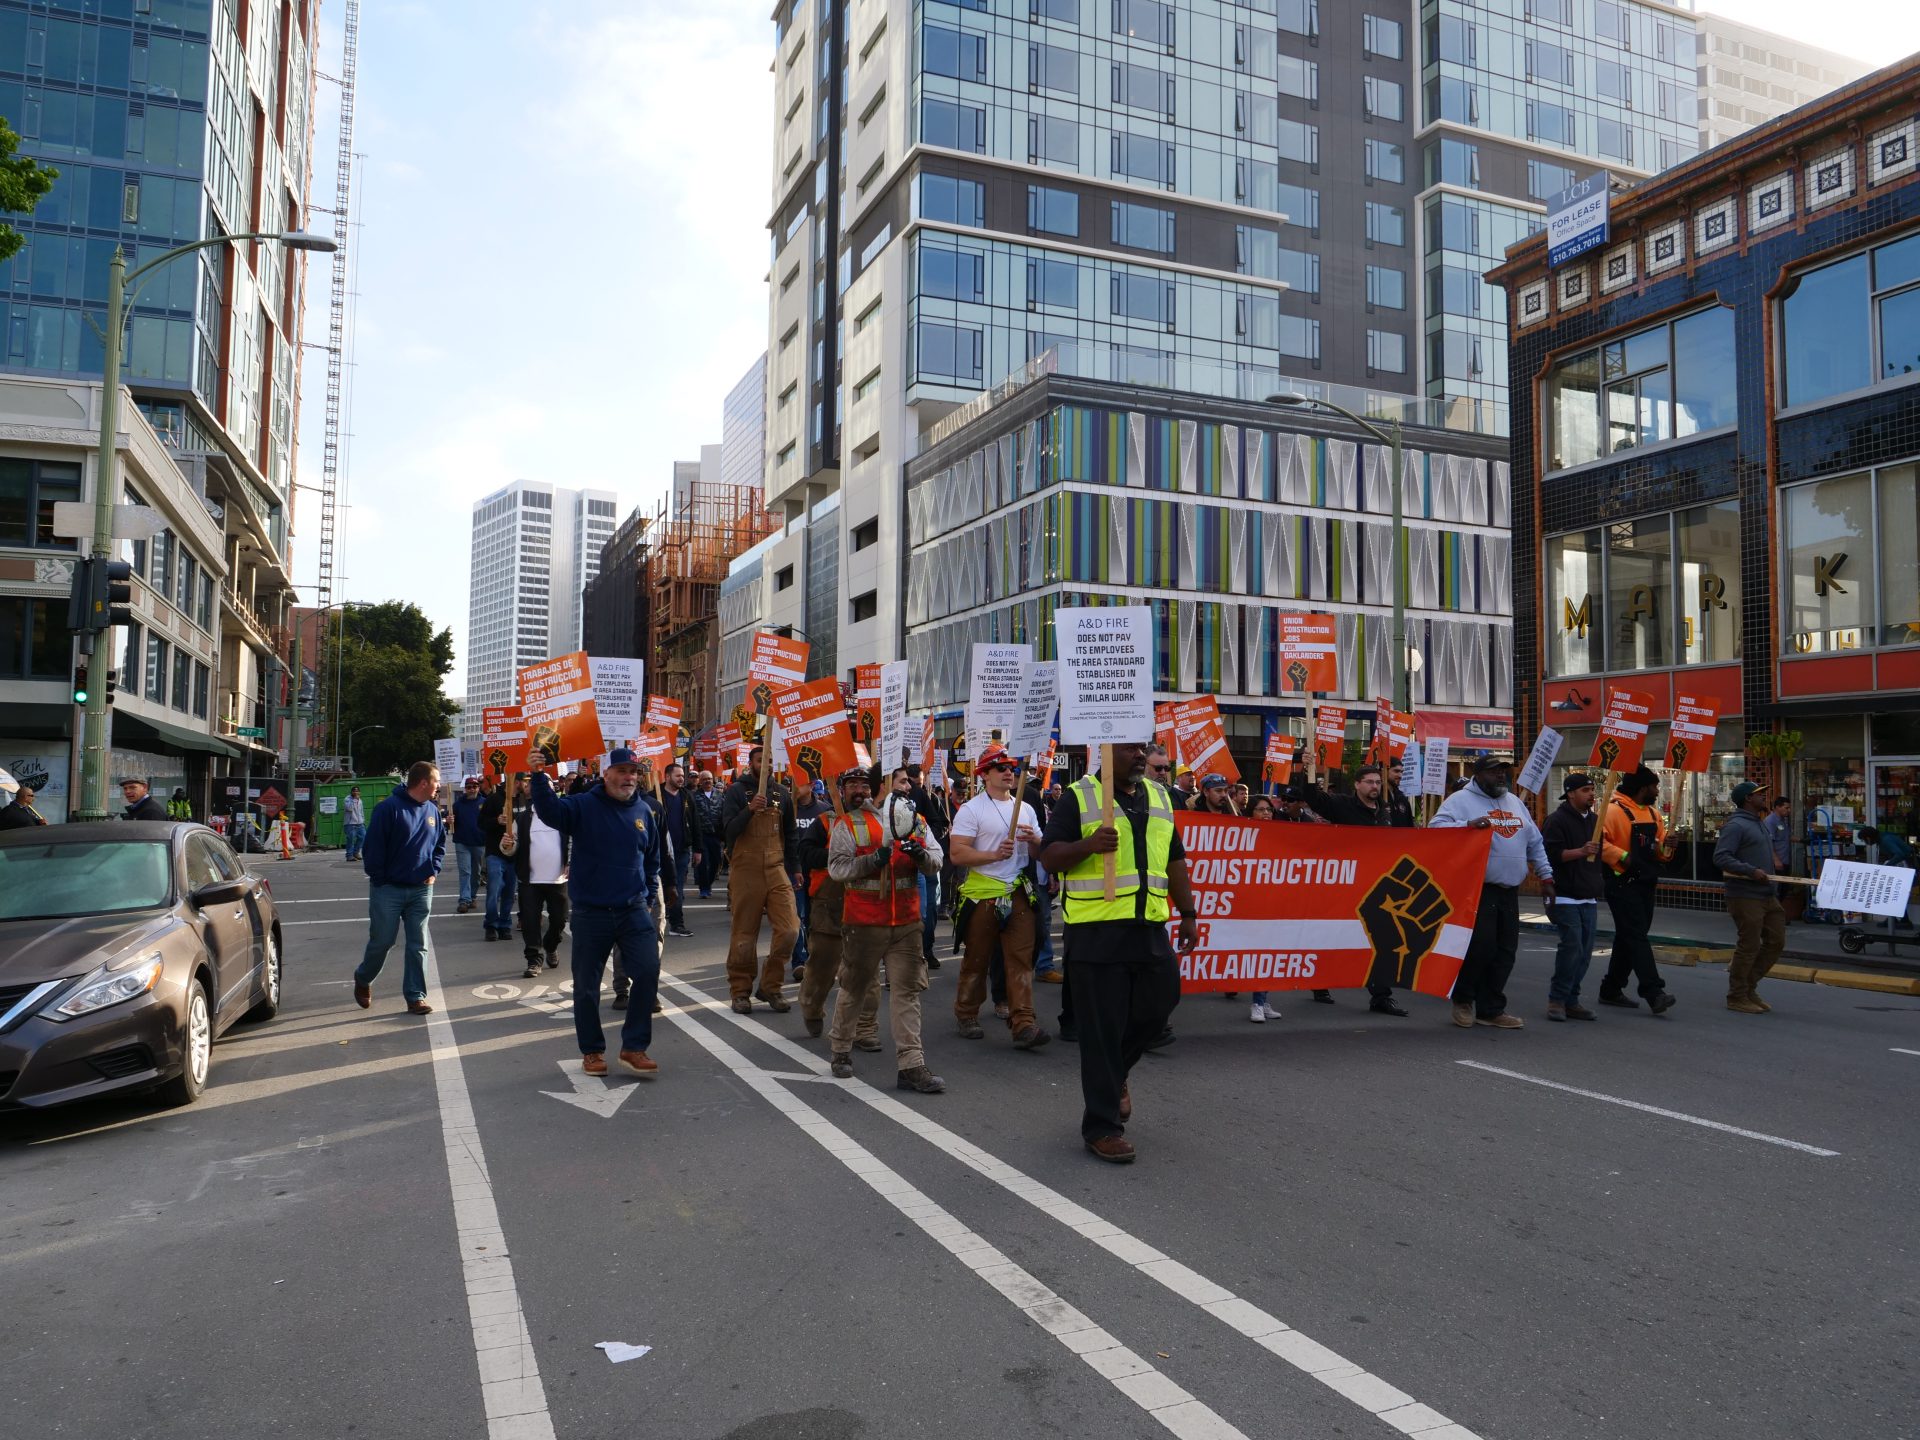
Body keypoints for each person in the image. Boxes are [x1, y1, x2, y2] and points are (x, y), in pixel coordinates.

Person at [1040, 741, 1198, 1164]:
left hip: (1148, 928)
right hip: (1095, 935)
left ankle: (1117, 1074)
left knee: (1158, 1008)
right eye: (1131, 750)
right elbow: (1050, 856)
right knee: (1100, 1034)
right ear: (1107, 754)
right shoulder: (1079, 796)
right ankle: (1102, 1128)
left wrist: (1188, 913)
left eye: (1143, 750)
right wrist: (1088, 846)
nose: (1141, 757)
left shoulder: (1162, 796)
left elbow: (1175, 858)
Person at [530, 748, 664, 1076]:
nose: (629, 777)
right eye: (621, 771)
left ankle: (634, 1047)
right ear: (606, 774)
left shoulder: (644, 812)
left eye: (633, 772)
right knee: (587, 986)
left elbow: (652, 857)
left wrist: (646, 895)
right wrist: (538, 774)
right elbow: (550, 812)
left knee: (647, 972)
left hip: (633, 909)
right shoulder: (583, 806)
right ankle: (592, 1051)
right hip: (592, 913)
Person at [826, 774, 947, 1093]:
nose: (908, 787)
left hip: (906, 924)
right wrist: (872, 860)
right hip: (864, 922)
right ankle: (841, 1050)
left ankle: (911, 1065)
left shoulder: (917, 821)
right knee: (854, 987)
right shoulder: (850, 823)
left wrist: (920, 856)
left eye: (908, 781)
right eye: (901, 781)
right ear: (884, 785)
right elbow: (837, 869)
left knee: (907, 992)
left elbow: (937, 861)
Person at [1431, 754, 1555, 1030]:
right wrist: (1466, 826)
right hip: (1478, 890)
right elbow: (1435, 830)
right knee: (1480, 949)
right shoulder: (1460, 801)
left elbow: (1534, 842)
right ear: (1478, 774)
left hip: (1509, 891)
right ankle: (1463, 1001)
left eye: (1503, 771)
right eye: (1494, 772)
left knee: (1505, 951)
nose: (1501, 776)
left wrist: (1546, 876)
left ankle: (1491, 1009)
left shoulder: (1515, 803)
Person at [949, 745, 1051, 1050]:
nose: (1009, 773)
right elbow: (957, 853)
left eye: (1012, 768)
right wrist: (993, 854)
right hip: (983, 894)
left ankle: (1023, 1023)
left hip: (1018, 893)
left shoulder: (1028, 809)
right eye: (1001, 768)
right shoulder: (972, 809)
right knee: (977, 959)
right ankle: (966, 1013)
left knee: (1020, 960)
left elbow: (1037, 852)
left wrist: (1035, 840)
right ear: (985, 775)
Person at [1301, 765, 1411, 1018]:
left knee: (1379, 938)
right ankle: (1320, 981)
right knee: (1335, 935)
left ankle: (1381, 996)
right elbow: (1314, 799)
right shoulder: (1341, 805)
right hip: (1346, 883)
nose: (1375, 786)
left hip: (1377, 884)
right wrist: (1307, 769)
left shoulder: (1388, 809)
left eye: (1377, 782)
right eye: (1369, 782)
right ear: (1357, 785)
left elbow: (1405, 836)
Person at [352, 760, 446, 1016]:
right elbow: (372, 849)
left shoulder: (433, 811)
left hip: (421, 889)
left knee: (419, 944)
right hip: (388, 890)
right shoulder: (388, 809)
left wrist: (433, 870)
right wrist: (381, 879)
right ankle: (363, 978)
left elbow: (439, 845)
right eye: (436, 781)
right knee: (382, 941)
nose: (439, 786)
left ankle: (416, 997)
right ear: (424, 782)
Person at [796, 767, 881, 1050]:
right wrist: (840, 856)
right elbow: (806, 854)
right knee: (822, 965)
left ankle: (865, 1027)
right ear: (841, 790)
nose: (859, 790)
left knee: (865, 970)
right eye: (852, 785)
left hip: (866, 905)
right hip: (829, 903)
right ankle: (811, 1006)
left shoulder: (878, 821)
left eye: (864, 785)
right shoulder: (825, 821)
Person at [720, 745, 800, 1014]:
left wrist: (795, 867)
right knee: (744, 934)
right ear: (750, 763)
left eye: (767, 759)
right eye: (758, 759)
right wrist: (749, 810)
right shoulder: (735, 792)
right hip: (746, 869)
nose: (763, 763)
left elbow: (790, 833)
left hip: (776, 868)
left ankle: (771, 986)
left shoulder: (782, 793)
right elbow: (728, 831)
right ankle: (740, 991)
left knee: (790, 929)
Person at [1599, 766, 1676, 1015]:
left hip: (1646, 882)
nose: (1657, 790)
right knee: (1636, 936)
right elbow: (1597, 843)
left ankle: (1611, 989)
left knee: (1630, 936)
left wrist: (1668, 846)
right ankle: (1654, 992)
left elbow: (1660, 852)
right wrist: (1623, 856)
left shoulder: (1654, 814)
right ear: (1643, 788)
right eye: (1654, 786)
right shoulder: (1610, 811)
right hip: (1621, 882)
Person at [1715, 781, 1787, 1014]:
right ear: (1748, 799)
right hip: (1745, 895)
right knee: (1749, 945)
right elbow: (1722, 857)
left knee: (1776, 941)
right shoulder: (1735, 826)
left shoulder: (1759, 823)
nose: (1764, 797)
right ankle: (1736, 995)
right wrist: (1750, 871)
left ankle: (1749, 987)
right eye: (1759, 794)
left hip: (1767, 894)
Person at [1540, 773, 1605, 1021]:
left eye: (1592, 789)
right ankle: (1556, 1000)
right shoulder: (1556, 821)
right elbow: (1550, 855)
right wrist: (1581, 851)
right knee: (1572, 948)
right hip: (1565, 895)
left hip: (1587, 895)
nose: (1591, 794)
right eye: (1586, 790)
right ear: (1571, 793)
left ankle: (1571, 999)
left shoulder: (1596, 821)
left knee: (1585, 952)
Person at [511, 772, 570, 979]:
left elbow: (574, 841)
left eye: (547, 786)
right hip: (530, 880)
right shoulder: (523, 818)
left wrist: (570, 861)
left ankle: (551, 945)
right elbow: (511, 846)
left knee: (560, 920)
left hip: (558, 880)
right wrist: (507, 845)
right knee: (530, 922)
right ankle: (534, 960)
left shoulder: (564, 815)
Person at [790, 777, 832, 979]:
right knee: (796, 917)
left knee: (817, 918)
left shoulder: (825, 810)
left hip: (817, 872)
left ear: (812, 785)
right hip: (792, 871)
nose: (796, 786)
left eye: (801, 782)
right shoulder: (787, 808)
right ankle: (799, 961)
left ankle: (818, 959)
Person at [658, 761, 699, 939]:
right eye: (678, 776)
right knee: (657, 889)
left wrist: (698, 849)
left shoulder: (687, 796)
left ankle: (677, 924)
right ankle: (653, 924)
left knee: (677, 888)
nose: (681, 779)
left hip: (681, 851)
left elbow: (696, 823)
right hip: (659, 852)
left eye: (683, 776)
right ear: (667, 777)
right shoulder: (655, 795)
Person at [478, 774, 520, 942]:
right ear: (515, 782)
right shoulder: (493, 799)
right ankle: (491, 925)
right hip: (495, 853)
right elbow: (480, 823)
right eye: (524, 782)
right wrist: (496, 820)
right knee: (494, 890)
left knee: (509, 892)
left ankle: (504, 925)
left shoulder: (523, 801)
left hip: (515, 854)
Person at [450, 777, 487, 916]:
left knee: (476, 873)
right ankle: (464, 900)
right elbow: (451, 823)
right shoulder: (457, 805)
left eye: (474, 786)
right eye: (469, 786)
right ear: (465, 788)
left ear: (478, 787)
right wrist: (449, 820)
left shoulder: (485, 803)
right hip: (462, 842)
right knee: (465, 871)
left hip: (479, 842)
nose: (472, 789)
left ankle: (472, 896)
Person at [692, 769, 726, 899]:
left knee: (716, 861)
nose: (707, 781)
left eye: (709, 779)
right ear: (700, 781)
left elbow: (725, 812)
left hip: (716, 834)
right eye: (704, 779)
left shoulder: (720, 795)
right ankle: (704, 888)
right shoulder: (694, 796)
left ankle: (709, 882)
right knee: (702, 862)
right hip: (701, 835)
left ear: (713, 780)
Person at [1763, 795, 1793, 877]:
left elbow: (1785, 837)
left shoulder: (1783, 820)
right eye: (1786, 808)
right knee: (1777, 887)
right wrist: (1776, 860)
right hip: (1776, 862)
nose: (1789, 810)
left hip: (1785, 859)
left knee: (1784, 887)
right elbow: (1768, 843)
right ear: (1777, 807)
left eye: (1789, 808)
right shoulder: (1770, 821)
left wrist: (1801, 840)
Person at [342, 786, 367, 861]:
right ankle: (349, 856)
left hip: (360, 823)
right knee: (350, 839)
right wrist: (354, 799)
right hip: (350, 824)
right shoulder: (347, 799)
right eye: (354, 791)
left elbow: (361, 811)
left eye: (357, 791)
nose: (356, 793)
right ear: (351, 792)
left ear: (359, 792)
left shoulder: (360, 800)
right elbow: (349, 808)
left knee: (363, 837)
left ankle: (356, 853)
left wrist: (363, 820)